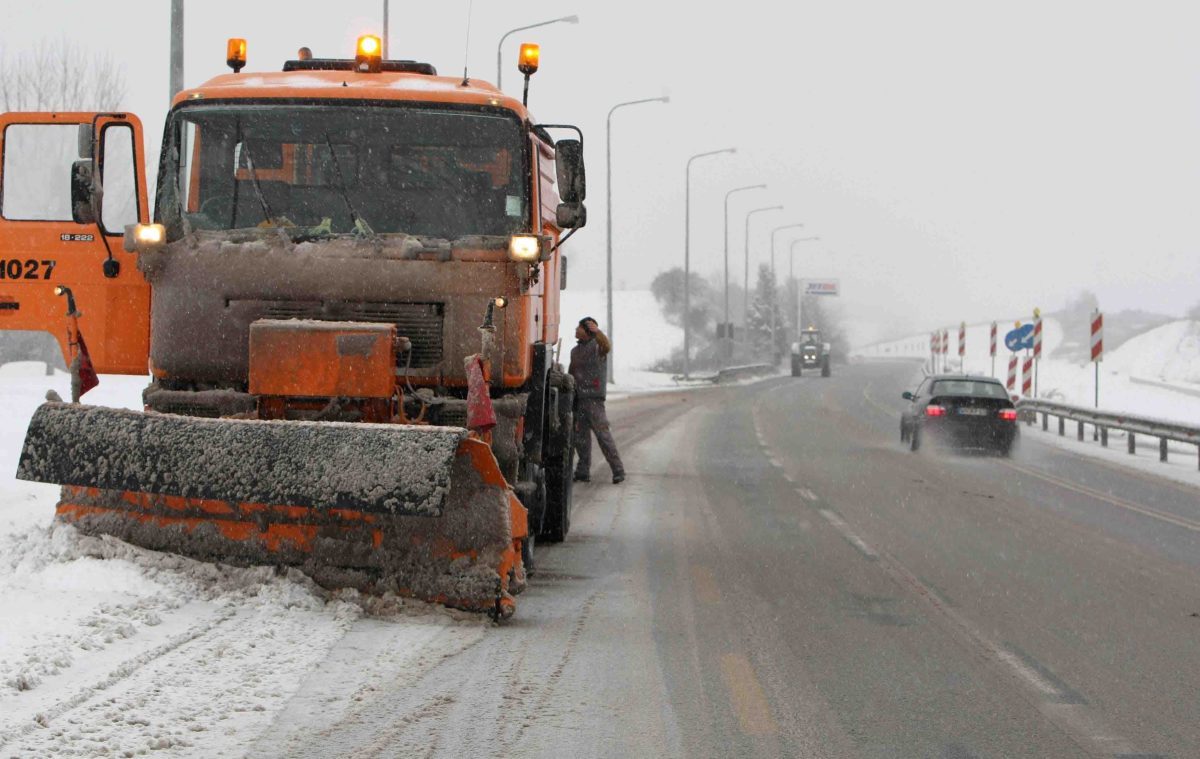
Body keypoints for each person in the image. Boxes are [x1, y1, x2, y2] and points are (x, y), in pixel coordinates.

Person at [569, 317, 625, 484]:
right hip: (580, 400)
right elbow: (572, 373)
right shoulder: (575, 351)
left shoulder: (598, 347)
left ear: (588, 331)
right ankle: (582, 471)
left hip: (594, 401)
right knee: (581, 439)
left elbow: (606, 346)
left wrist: (598, 333)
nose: (576, 330)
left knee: (603, 437)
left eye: (579, 327)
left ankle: (618, 470)